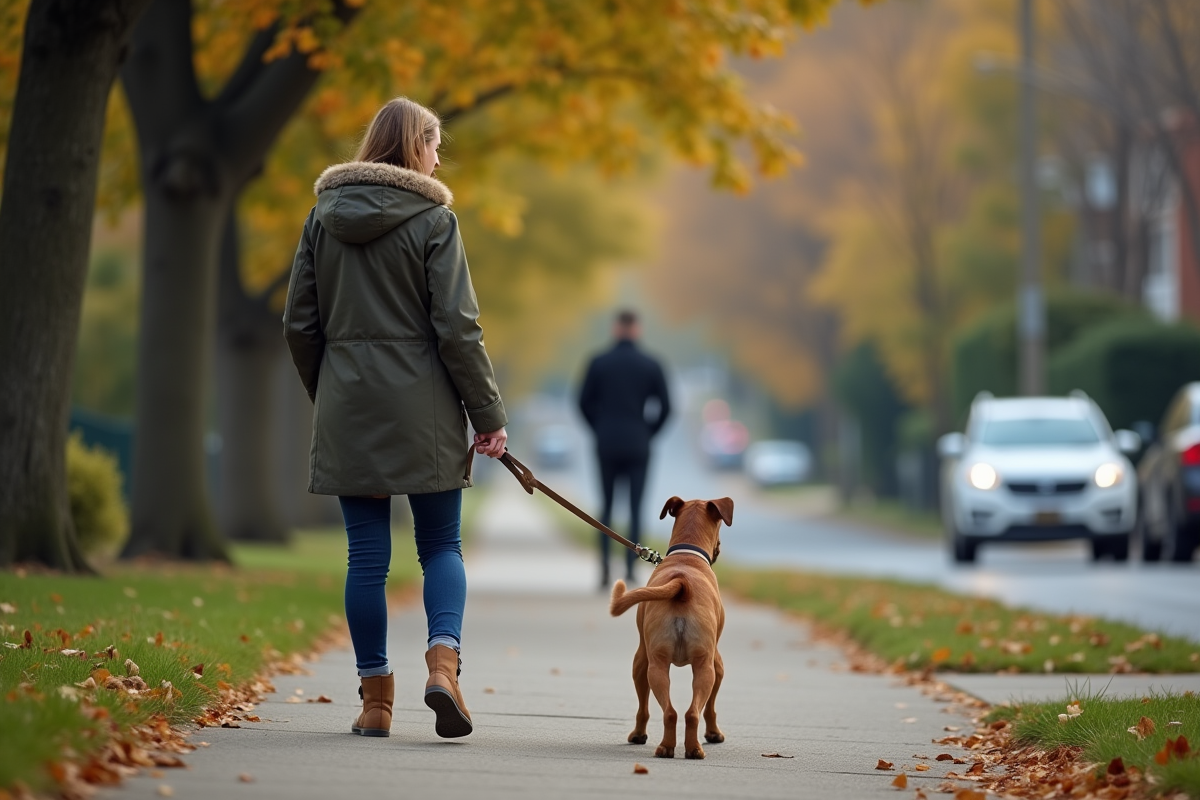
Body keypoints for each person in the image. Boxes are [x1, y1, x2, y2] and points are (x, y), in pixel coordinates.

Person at [283, 97, 507, 741]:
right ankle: (443, 664)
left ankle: (375, 701)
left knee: (365, 557)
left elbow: (300, 322)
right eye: (435, 145)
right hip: (426, 410)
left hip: (349, 405)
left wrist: (329, 391)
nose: (440, 157)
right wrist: (487, 414)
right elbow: (457, 328)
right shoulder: (435, 220)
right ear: (416, 148)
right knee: (440, 544)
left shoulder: (321, 219)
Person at [578, 310, 672, 588]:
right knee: (635, 507)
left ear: (615, 328)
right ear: (637, 329)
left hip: (606, 442)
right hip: (638, 443)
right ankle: (631, 568)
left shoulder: (598, 362)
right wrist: (648, 432)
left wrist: (599, 428)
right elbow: (666, 407)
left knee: (605, 506)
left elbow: (583, 402)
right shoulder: (651, 364)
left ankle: (605, 567)